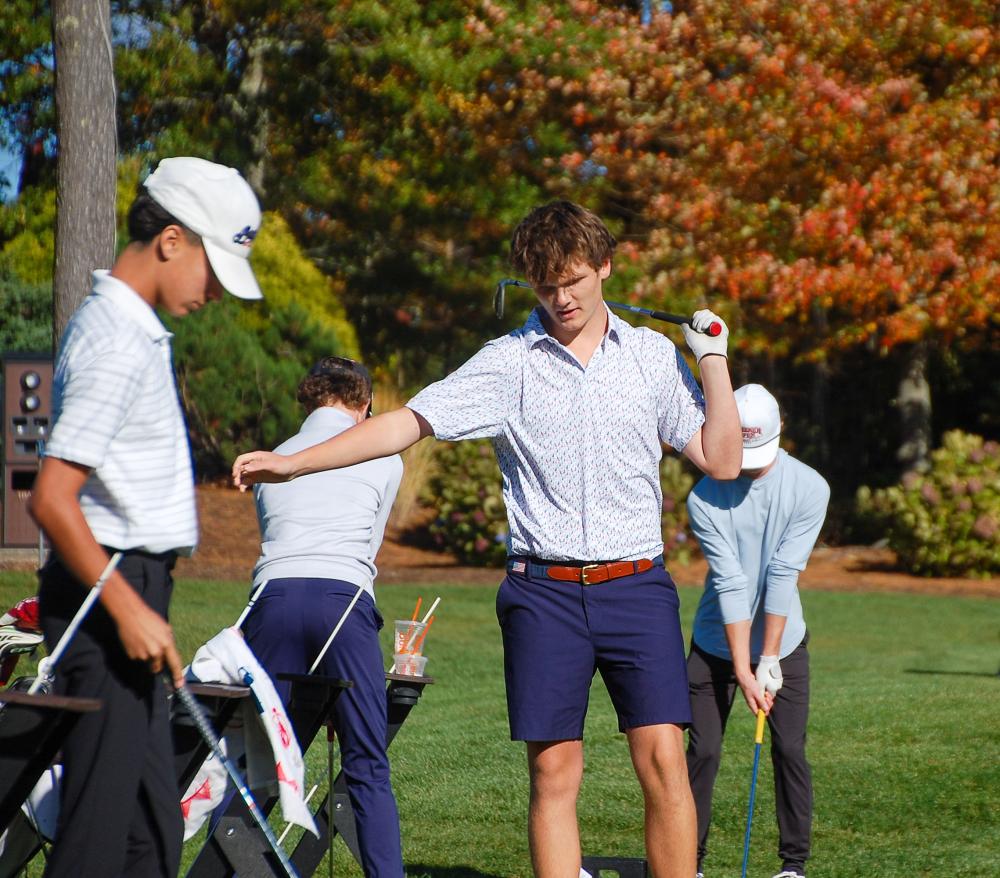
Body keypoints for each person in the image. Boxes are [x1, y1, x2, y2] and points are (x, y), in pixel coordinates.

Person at [232, 200, 742, 878]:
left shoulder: (652, 356)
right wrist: (296, 463)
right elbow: (407, 423)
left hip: (636, 587)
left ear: (605, 268)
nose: (561, 298)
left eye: (574, 281)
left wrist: (713, 362)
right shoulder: (507, 363)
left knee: (664, 761)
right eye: (546, 285)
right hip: (543, 595)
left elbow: (722, 460)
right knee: (553, 771)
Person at [29, 156, 263, 878]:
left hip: (127, 592)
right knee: (100, 835)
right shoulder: (116, 339)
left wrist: (140, 604)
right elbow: (52, 498)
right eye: (212, 271)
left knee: (151, 833)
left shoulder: (135, 330)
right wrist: (130, 609)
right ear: (170, 240)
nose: (215, 294)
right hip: (105, 600)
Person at [240, 355, 405, 878]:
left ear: (309, 399)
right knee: (367, 766)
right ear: (365, 404)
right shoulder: (386, 458)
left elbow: (275, 537)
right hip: (344, 602)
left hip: (273, 600)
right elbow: (369, 548)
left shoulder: (273, 459)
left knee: (259, 764)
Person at [684, 384, 830, 878]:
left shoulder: (810, 487)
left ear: (780, 429)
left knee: (789, 749)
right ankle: (688, 863)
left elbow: (783, 572)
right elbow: (731, 581)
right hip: (714, 644)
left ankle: (793, 867)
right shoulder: (705, 496)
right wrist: (743, 669)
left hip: (783, 643)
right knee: (703, 751)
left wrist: (767, 658)